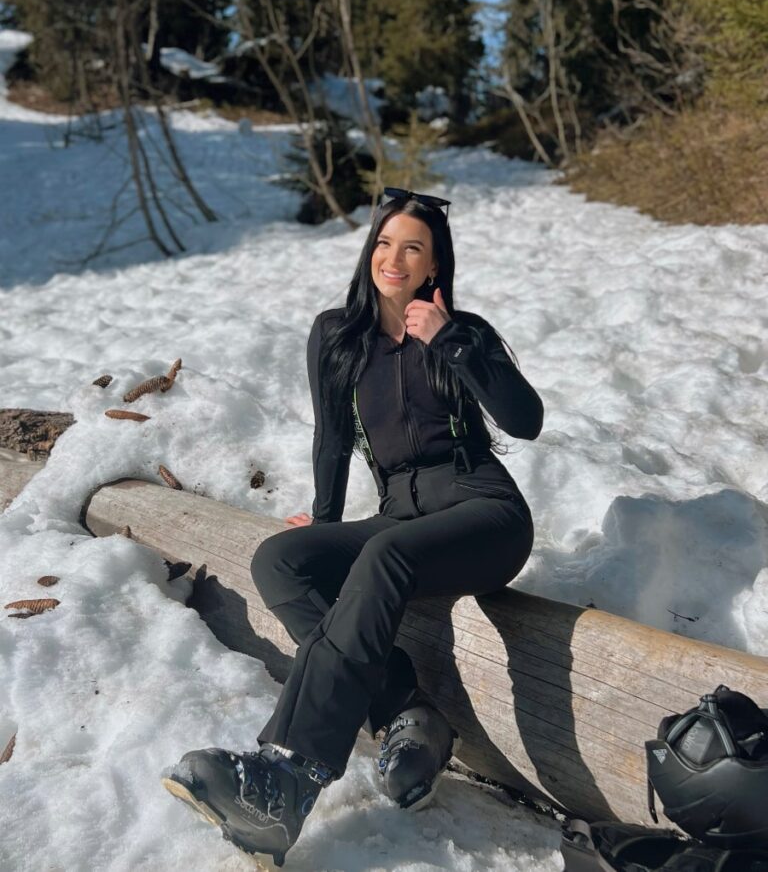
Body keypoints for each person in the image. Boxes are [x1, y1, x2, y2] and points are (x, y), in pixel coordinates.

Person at [162, 188, 544, 866]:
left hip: (484, 511)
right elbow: (332, 441)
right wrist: (327, 520)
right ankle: (405, 707)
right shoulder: (336, 335)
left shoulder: (464, 330)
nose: (394, 258)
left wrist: (450, 341)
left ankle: (290, 775)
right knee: (282, 559)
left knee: (388, 552)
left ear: (433, 264)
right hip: (399, 512)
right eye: (384, 242)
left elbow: (525, 418)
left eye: (413, 247)